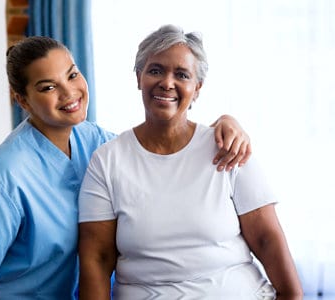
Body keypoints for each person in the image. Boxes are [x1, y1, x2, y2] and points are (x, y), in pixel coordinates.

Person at [0, 36, 253, 299]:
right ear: (22, 99)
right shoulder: (3, 176)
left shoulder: (93, 141)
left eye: (72, 75)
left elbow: (160, 152)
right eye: (48, 87)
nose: (69, 93)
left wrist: (222, 127)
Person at [77, 25, 301, 299]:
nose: (167, 82)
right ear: (139, 78)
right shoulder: (107, 160)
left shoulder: (229, 148)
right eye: (155, 70)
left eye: (181, 75)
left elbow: (267, 239)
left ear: (197, 89)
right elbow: (97, 259)